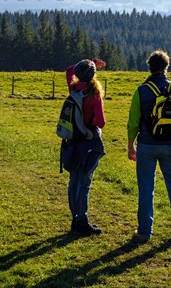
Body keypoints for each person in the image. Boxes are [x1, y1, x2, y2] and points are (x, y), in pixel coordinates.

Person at [127, 49, 171, 243]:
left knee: (146, 188)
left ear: (149, 67)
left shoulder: (142, 91)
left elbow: (133, 123)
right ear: (166, 67)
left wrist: (131, 145)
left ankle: (145, 231)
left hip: (146, 145)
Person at [64, 58, 106, 236]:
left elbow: (69, 69)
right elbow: (101, 122)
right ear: (93, 76)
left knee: (74, 181)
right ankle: (82, 220)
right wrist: (92, 65)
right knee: (85, 182)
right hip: (89, 141)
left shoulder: (73, 89)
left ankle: (75, 219)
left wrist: (88, 62)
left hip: (73, 139)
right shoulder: (94, 93)